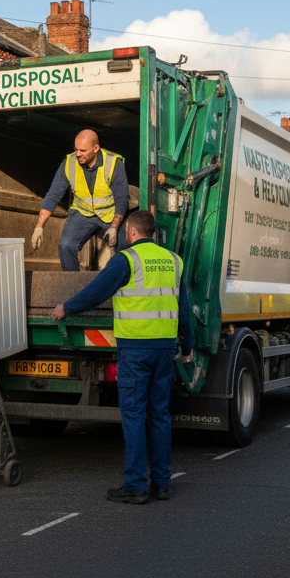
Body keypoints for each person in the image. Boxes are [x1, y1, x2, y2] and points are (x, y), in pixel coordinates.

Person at [51, 210, 194, 504]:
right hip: (164, 349)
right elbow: (185, 311)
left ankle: (135, 486)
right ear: (152, 232)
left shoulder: (126, 260)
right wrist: (189, 344)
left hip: (136, 349)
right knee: (159, 415)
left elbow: (97, 291)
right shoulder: (174, 261)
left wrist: (67, 307)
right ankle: (161, 484)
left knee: (132, 415)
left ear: (130, 232)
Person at [31, 129, 129, 271]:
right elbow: (53, 194)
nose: (78, 154)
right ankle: (74, 286)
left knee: (123, 248)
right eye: (76, 149)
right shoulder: (69, 163)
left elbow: (122, 198)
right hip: (82, 214)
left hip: (110, 215)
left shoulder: (113, 162)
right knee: (65, 246)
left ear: (96, 148)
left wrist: (114, 228)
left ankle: (119, 287)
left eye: (83, 150)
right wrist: (39, 226)